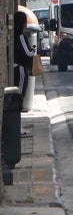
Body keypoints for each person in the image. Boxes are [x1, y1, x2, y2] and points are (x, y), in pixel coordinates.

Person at [5, 12, 35, 183]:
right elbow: (27, 54)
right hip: (20, 70)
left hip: (13, 68)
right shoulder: (20, 36)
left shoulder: (12, 36)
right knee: (19, 98)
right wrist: (33, 52)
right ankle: (18, 126)